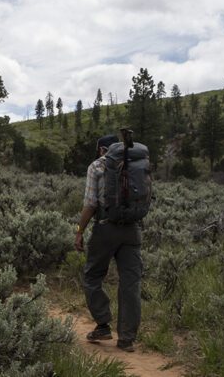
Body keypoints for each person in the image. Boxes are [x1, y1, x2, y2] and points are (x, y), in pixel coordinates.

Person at [74, 134, 143, 352]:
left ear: (103, 149)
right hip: (132, 230)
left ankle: (103, 324)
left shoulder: (96, 166)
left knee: (92, 276)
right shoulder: (136, 164)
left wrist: (79, 231)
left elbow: (91, 204)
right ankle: (127, 338)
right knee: (130, 284)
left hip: (105, 228)